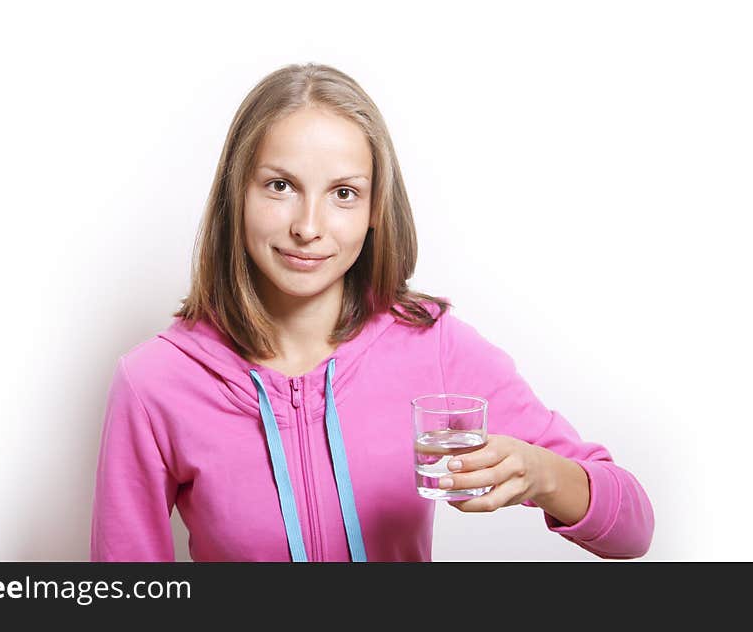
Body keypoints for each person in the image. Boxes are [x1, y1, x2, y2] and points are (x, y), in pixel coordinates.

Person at [89, 62, 654, 562]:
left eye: (343, 193)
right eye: (280, 185)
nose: (308, 227)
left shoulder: (434, 347)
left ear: (376, 208)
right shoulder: (156, 383)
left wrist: (543, 473)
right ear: (236, 195)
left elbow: (633, 529)